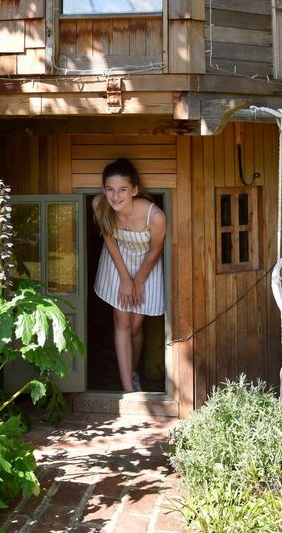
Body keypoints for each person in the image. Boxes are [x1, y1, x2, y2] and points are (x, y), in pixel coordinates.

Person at [91, 158, 166, 392]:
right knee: (122, 320)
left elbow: (156, 249)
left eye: (122, 189)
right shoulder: (99, 204)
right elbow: (110, 241)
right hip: (118, 261)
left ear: (134, 190)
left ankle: (132, 371)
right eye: (110, 189)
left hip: (147, 264)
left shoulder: (155, 216)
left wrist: (139, 280)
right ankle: (128, 388)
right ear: (104, 189)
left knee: (136, 324)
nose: (115, 196)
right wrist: (125, 279)